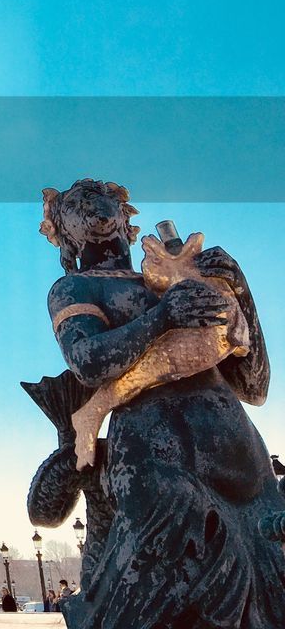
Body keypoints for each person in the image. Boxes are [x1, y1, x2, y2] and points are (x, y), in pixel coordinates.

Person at [40, 180, 285, 628]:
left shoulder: (176, 276)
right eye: (77, 202)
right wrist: (162, 316)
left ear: (125, 216)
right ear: (63, 230)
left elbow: (254, 385)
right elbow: (89, 362)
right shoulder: (74, 287)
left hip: (242, 460)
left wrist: (242, 294)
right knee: (166, 595)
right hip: (157, 461)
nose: (95, 204)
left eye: (104, 197)